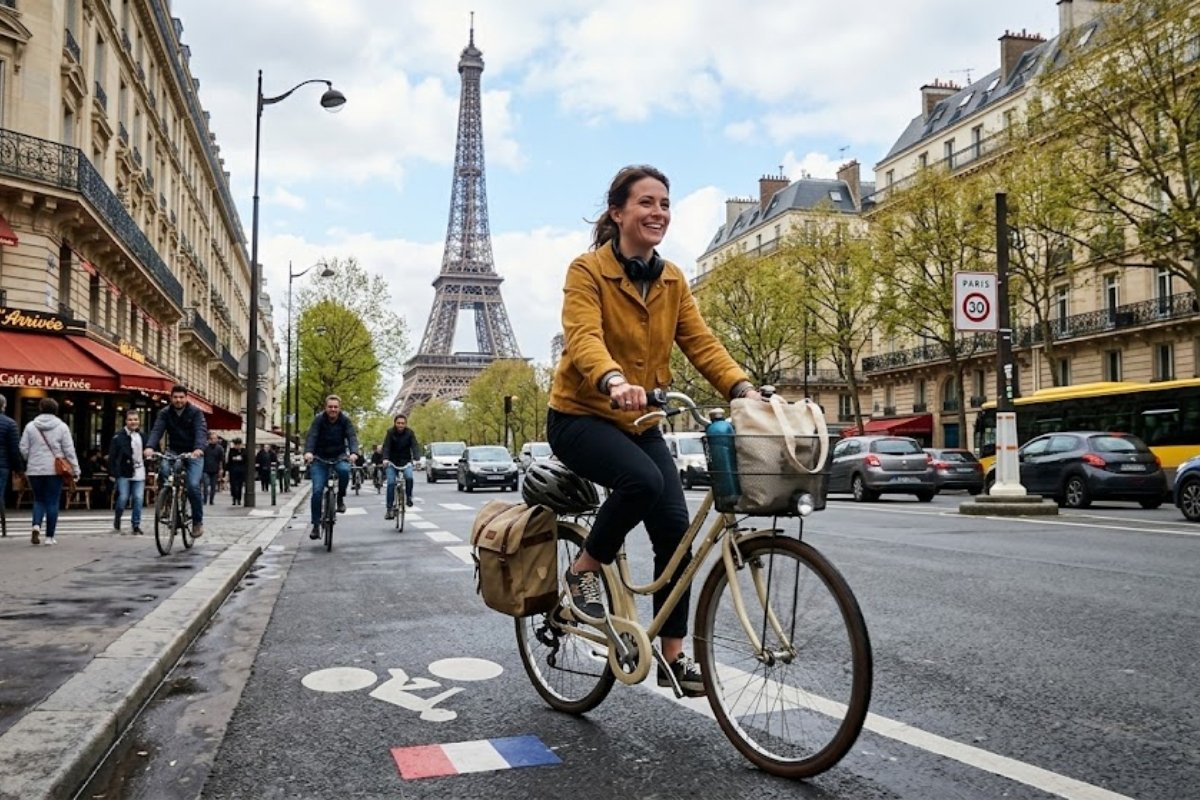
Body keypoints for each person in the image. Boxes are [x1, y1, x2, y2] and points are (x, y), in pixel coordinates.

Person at [546, 165, 760, 697]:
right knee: (640, 481)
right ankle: (584, 568)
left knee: (675, 532)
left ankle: (672, 657)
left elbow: (702, 343)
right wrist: (613, 378)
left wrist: (743, 388)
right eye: (646, 202)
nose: (657, 212)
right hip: (581, 416)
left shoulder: (672, 280)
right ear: (617, 212)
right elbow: (582, 337)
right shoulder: (586, 271)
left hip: (641, 420)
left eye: (664, 203)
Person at [144, 384, 207, 538]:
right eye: (175, 397)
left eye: (181, 397)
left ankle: (197, 522)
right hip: (174, 451)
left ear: (186, 398)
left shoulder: (196, 413)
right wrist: (150, 447)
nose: (178, 400)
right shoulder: (165, 413)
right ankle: (167, 502)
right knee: (164, 470)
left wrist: (198, 449)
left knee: (192, 485)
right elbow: (157, 430)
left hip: (193, 452)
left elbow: (201, 431)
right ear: (171, 398)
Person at [19, 397, 81, 545]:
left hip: (35, 469)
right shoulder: (62, 427)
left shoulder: (30, 426)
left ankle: (36, 525)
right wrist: (75, 469)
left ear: (40, 408)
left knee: (39, 499)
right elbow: (69, 450)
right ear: (56, 410)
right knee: (52, 501)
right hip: (55, 470)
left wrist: (31, 458)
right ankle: (49, 537)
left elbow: (23, 448)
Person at [303, 394, 359, 539]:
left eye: (335, 407)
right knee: (316, 492)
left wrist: (353, 452)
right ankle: (315, 525)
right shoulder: (319, 420)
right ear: (325, 408)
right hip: (320, 458)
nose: (333, 409)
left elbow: (352, 436)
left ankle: (340, 498)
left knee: (345, 471)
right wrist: (309, 452)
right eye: (330, 407)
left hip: (339, 456)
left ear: (340, 408)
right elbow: (312, 436)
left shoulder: (345, 421)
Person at [109, 409, 146, 535]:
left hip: (139, 470)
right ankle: (117, 517)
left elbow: (149, 450)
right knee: (123, 498)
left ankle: (136, 524)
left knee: (138, 498)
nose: (133, 422)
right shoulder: (118, 436)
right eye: (130, 419)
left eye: (135, 419)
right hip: (124, 471)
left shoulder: (142, 436)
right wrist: (112, 473)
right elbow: (112, 456)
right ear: (126, 421)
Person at [382, 413, 421, 519]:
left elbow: (415, 446)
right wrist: (385, 459)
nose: (400, 425)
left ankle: (408, 496)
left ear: (406, 424)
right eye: (398, 423)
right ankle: (389, 508)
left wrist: (417, 459)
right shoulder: (390, 433)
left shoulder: (410, 433)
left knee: (409, 477)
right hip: (392, 462)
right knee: (391, 483)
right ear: (395, 423)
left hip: (406, 461)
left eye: (402, 423)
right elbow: (386, 447)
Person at [0, 395, 21, 517]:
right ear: (4, 406)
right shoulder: (10, 424)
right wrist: (18, 469)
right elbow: (14, 449)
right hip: (2, 465)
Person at [201, 431, 225, 505]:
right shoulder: (205, 447)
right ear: (209, 439)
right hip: (205, 469)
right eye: (213, 438)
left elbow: (221, 460)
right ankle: (205, 500)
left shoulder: (219, 448)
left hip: (215, 470)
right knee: (205, 485)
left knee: (213, 486)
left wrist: (221, 469)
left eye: (216, 438)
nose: (215, 440)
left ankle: (211, 500)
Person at [226, 437, 248, 505]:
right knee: (233, 485)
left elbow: (245, 459)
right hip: (233, 471)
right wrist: (227, 471)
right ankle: (234, 498)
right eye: (236, 444)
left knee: (240, 485)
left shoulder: (244, 451)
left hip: (241, 471)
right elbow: (229, 461)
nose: (237, 446)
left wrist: (237, 458)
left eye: (238, 444)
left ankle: (239, 499)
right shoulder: (231, 450)